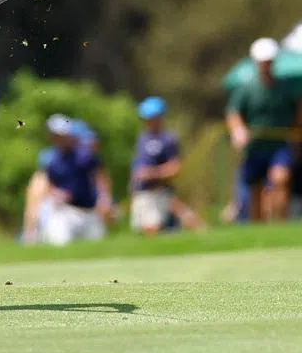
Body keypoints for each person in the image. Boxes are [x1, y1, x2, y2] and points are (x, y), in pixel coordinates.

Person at [225, 37, 302, 222]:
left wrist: (297, 136)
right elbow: (233, 112)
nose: (266, 66)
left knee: (280, 180)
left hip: (279, 145)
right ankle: (259, 230)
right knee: (255, 190)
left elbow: (298, 113)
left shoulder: (285, 87)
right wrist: (238, 130)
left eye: (269, 62)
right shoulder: (247, 88)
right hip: (254, 147)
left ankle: (281, 224)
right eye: (263, 62)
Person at [129, 97, 205, 235]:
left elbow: (175, 168)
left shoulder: (168, 140)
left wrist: (152, 174)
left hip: (160, 193)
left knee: (161, 227)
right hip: (143, 193)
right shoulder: (142, 138)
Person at [39, 115, 112, 244]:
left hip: (90, 210)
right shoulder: (51, 160)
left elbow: (100, 176)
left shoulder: (84, 155)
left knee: (96, 248)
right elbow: (49, 184)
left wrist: (104, 198)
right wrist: (56, 193)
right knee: (61, 245)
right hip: (65, 211)